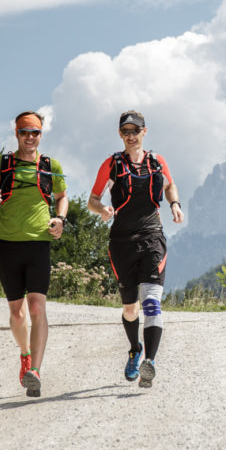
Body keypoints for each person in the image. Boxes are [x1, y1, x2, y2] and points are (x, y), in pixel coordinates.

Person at [87, 110, 184, 388]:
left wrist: (174, 204)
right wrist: (102, 209)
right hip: (121, 243)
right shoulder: (112, 165)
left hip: (152, 237)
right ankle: (135, 349)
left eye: (136, 131)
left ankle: (150, 363)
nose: (131, 136)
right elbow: (92, 200)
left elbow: (170, 185)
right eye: (126, 132)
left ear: (145, 132)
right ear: (120, 134)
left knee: (151, 302)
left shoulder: (157, 162)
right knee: (130, 309)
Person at [0, 111, 67, 398]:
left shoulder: (50, 165)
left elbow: (61, 197)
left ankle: (36, 372)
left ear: (41, 134)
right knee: (17, 314)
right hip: (9, 245)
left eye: (35, 132)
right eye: (24, 132)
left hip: (39, 245)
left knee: (37, 308)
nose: (30, 137)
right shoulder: (3, 164)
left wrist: (60, 219)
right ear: (16, 133)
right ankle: (25, 355)